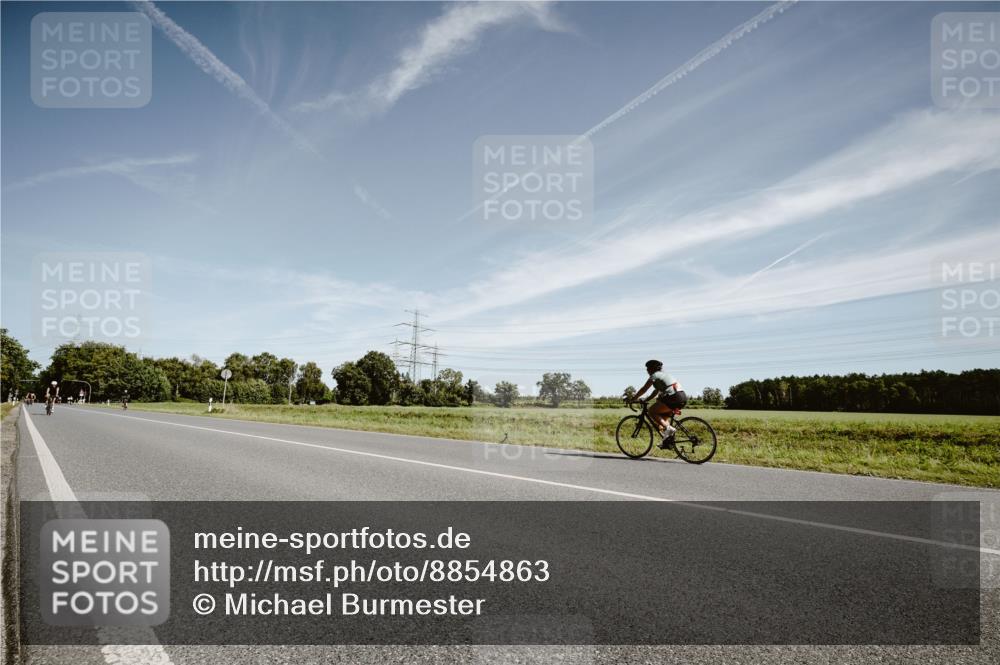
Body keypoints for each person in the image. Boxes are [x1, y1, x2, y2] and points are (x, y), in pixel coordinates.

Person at [629, 359, 687, 448]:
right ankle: (666, 441)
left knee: (651, 411)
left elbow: (644, 389)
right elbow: (655, 392)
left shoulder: (655, 375)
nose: (647, 371)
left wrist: (634, 398)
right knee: (661, 422)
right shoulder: (664, 376)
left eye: (647, 369)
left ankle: (670, 429)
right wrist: (646, 399)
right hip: (682, 397)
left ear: (652, 369)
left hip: (673, 397)